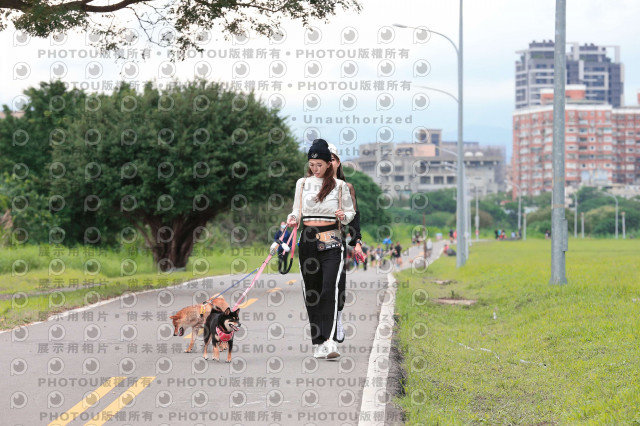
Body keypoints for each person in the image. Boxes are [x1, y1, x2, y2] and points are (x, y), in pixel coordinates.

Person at [286, 139, 355, 360]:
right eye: (311, 164)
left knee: (329, 290)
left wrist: (344, 216)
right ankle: (317, 342)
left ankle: (330, 340)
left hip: (332, 239)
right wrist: (293, 217)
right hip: (307, 240)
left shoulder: (340, 186)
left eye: (319, 164)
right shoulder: (303, 183)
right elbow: (297, 210)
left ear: (329, 163)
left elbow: (351, 213)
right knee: (312, 293)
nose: (315, 168)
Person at [327, 143, 363, 344]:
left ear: (338, 162)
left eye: (332, 159)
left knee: (338, 283)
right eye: (325, 159)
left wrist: (356, 241)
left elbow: (354, 217)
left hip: (336, 240)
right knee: (319, 287)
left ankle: (337, 319)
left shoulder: (346, 188)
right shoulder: (310, 185)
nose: (328, 162)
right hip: (313, 241)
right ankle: (322, 327)